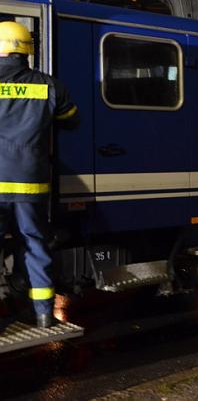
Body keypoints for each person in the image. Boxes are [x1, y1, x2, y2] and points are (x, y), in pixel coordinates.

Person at [0, 21, 77, 328]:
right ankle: (44, 314)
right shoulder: (49, 86)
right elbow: (70, 118)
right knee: (34, 243)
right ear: (27, 51)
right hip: (29, 183)